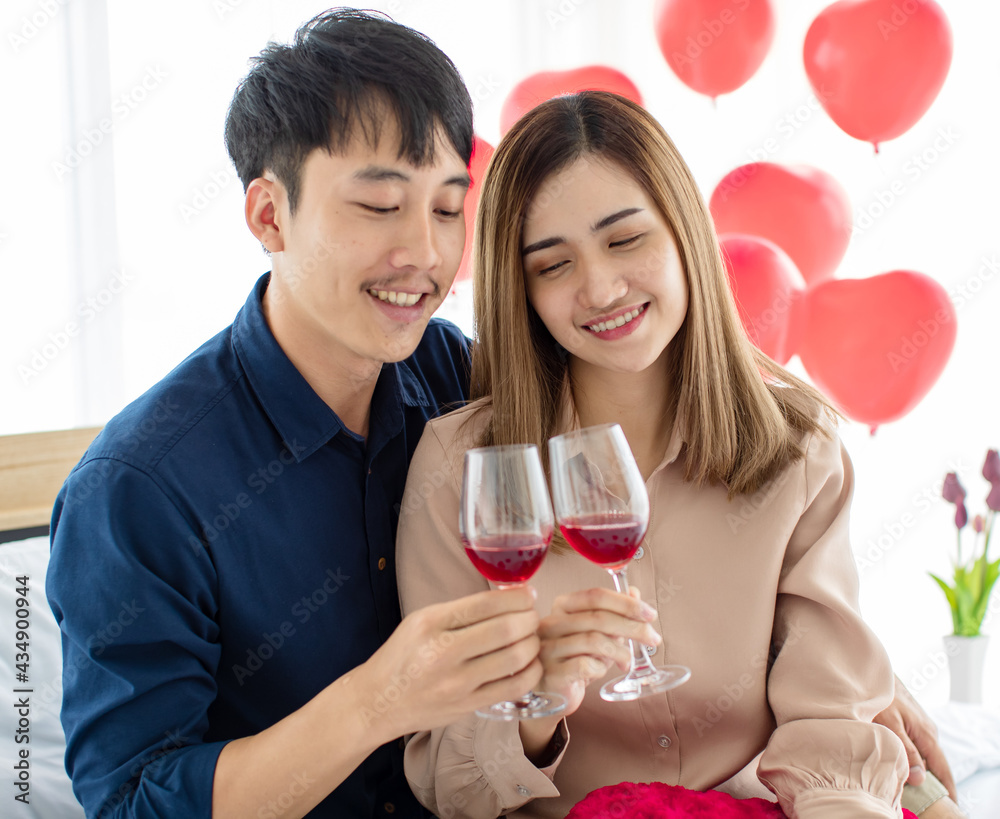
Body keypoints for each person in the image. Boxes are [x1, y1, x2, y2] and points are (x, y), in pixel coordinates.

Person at [395, 91, 965, 818]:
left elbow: (831, 722)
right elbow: (448, 781)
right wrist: (540, 701)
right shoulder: (462, 470)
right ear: (521, 289)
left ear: (683, 232)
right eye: (553, 264)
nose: (600, 288)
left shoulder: (798, 447)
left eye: (626, 239)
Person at [45, 10, 546, 818]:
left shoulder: (453, 375)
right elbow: (134, 801)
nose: (425, 254)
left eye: (448, 209)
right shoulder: (139, 487)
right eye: (379, 205)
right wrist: (379, 700)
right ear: (269, 215)